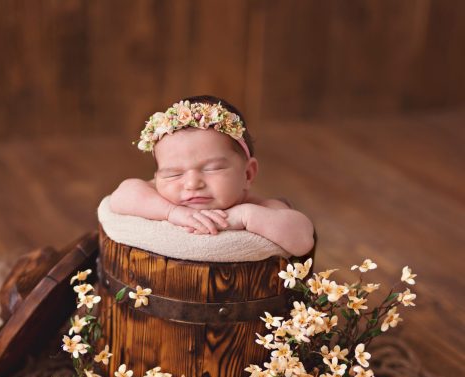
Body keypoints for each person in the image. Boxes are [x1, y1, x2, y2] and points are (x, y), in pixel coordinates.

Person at [109, 95, 315, 257]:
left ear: (248, 173)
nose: (192, 183)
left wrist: (244, 216)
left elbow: (303, 238)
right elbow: (121, 197)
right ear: (158, 176)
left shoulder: (260, 207)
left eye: (212, 169)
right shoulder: (159, 196)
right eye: (173, 174)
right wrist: (171, 212)